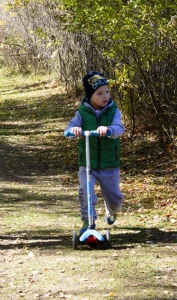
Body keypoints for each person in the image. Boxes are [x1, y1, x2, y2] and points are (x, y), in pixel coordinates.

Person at [64, 71, 125, 235]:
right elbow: (68, 129)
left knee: (115, 200)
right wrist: (73, 130)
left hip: (109, 163)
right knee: (86, 192)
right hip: (87, 164)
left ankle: (111, 210)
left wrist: (109, 130)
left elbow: (120, 129)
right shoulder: (82, 113)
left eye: (107, 92)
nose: (105, 96)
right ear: (90, 96)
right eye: (99, 93)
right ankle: (88, 222)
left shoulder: (113, 111)